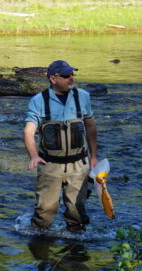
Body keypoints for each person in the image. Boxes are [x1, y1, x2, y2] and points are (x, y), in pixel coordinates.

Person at [23, 60, 98, 232]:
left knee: (77, 211)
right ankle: (40, 247)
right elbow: (28, 131)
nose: (71, 78)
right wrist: (34, 156)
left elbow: (91, 126)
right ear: (53, 79)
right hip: (50, 165)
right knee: (45, 212)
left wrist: (93, 157)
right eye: (66, 76)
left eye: (72, 74)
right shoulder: (38, 101)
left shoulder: (83, 96)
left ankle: (77, 248)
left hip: (79, 164)